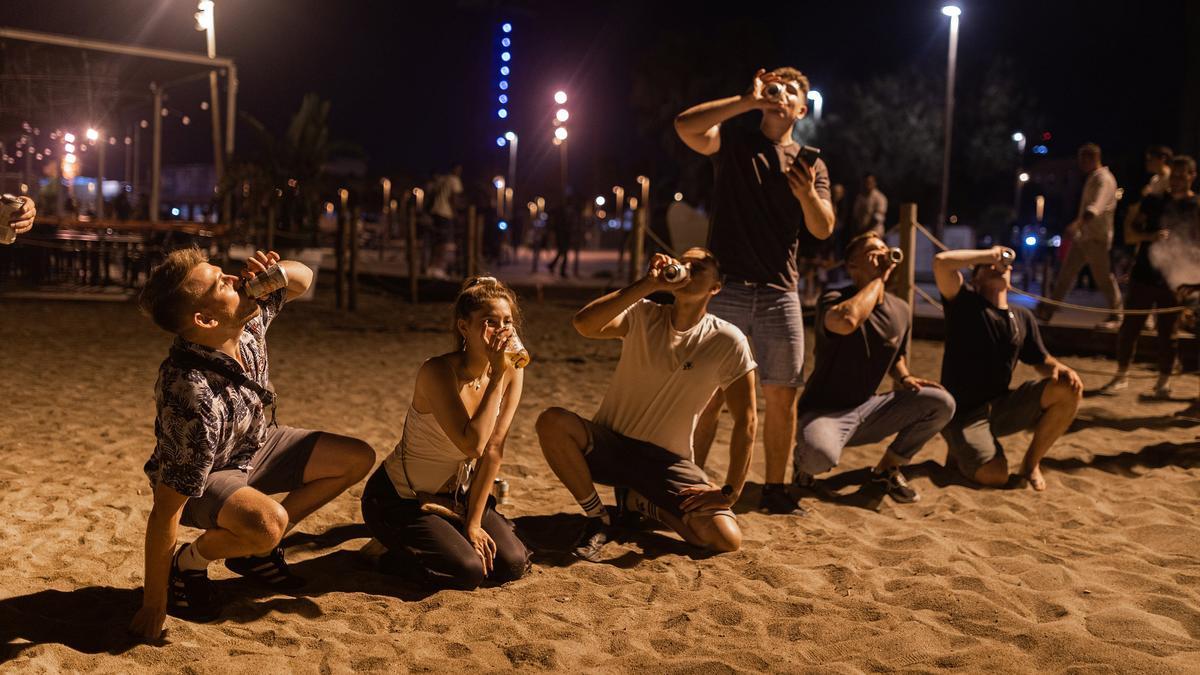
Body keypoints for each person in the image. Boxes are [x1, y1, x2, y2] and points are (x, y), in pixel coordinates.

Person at [129, 248, 375, 640]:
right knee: (269, 522)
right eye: (218, 283)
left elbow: (303, 279)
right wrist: (153, 604)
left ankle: (259, 550)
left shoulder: (246, 319)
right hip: (209, 476)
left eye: (222, 273)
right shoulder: (191, 394)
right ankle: (190, 562)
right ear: (205, 319)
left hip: (256, 444)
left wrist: (276, 274)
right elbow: (165, 510)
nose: (231, 278)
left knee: (356, 457)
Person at [675, 67, 835, 514]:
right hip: (725, 290)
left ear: (801, 109)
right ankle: (687, 479)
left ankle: (775, 489)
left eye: (791, 93)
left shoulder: (811, 163)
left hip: (780, 293)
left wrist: (806, 195)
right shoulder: (735, 143)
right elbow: (686, 125)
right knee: (707, 394)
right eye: (775, 89)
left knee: (782, 395)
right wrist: (747, 100)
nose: (781, 96)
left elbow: (823, 228)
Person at [536, 248, 757, 561]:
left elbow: (746, 421)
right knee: (551, 421)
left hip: (667, 462)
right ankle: (598, 517)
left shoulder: (727, 339)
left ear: (715, 287)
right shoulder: (644, 313)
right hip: (611, 447)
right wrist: (647, 284)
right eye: (685, 261)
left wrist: (729, 492)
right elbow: (584, 324)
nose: (688, 267)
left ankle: (641, 503)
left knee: (724, 539)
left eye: (700, 266)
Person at [360, 277, 530, 590]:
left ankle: (452, 531)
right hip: (400, 497)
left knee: (511, 564)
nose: (501, 331)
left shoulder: (513, 371)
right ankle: (386, 552)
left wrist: (474, 522)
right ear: (464, 328)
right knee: (467, 572)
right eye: (489, 322)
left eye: (507, 322)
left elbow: (493, 450)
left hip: (457, 496)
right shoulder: (438, 372)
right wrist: (495, 377)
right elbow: (473, 444)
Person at [792, 233, 955, 504]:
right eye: (872, 252)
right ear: (852, 265)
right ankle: (802, 469)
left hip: (867, 410)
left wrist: (904, 376)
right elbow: (846, 321)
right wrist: (877, 280)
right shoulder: (834, 298)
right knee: (817, 459)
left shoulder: (901, 309)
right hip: (824, 412)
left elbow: (896, 355)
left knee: (941, 402)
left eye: (884, 249)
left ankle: (886, 469)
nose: (882, 255)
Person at [934, 246, 1084, 491]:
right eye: (988, 267)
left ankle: (1030, 464)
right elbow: (942, 263)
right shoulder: (965, 303)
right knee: (995, 476)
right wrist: (988, 254)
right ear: (976, 278)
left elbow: (1040, 360)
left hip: (1001, 406)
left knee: (1069, 389)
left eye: (1002, 265)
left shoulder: (1021, 316)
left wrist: (1060, 368)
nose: (998, 267)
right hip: (963, 413)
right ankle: (962, 450)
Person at [1102, 154, 1197, 398]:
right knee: (1130, 328)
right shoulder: (1153, 201)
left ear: (1191, 176)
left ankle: (1163, 381)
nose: (1175, 181)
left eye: (1181, 176)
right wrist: (1150, 237)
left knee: (1169, 333)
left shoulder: (1196, 206)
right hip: (1144, 274)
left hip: (1175, 280)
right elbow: (1131, 231)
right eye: (1173, 176)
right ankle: (1121, 375)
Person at [1038, 143, 1122, 326]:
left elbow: (1095, 208)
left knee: (1103, 278)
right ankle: (1048, 311)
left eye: (1083, 159)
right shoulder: (1093, 178)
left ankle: (1117, 314)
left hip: (1096, 238)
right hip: (1084, 237)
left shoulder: (1104, 179)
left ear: (1092, 158)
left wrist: (1077, 224)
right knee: (1065, 275)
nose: (1080, 164)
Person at [427, 165, 464, 277]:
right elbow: (453, 198)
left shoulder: (442, 179)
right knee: (444, 241)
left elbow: (432, 194)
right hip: (445, 213)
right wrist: (456, 213)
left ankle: (431, 267)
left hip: (435, 212)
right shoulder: (454, 180)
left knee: (436, 240)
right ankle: (439, 268)